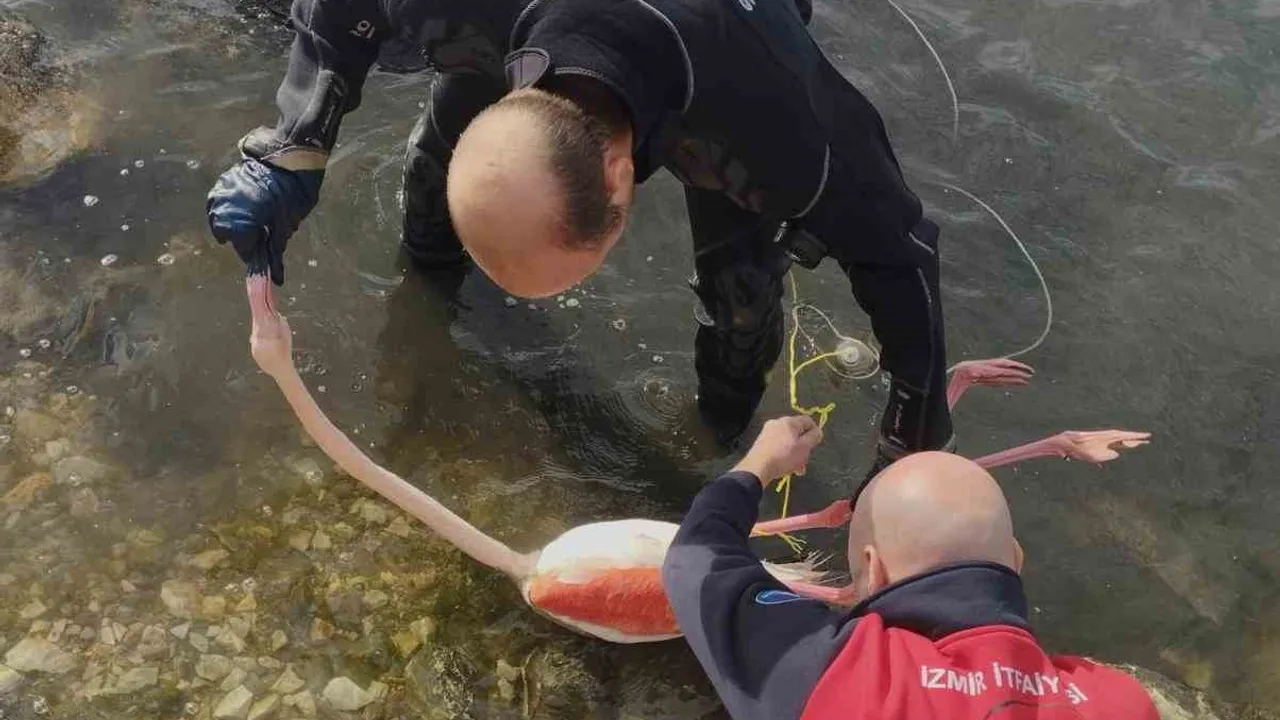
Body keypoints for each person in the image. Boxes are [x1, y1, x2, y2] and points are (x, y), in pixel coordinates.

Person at [207, 0, 950, 482]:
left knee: (740, 294)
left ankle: (718, 428)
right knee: (436, 168)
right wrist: (293, 146)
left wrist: (912, 433)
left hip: (720, 41)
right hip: (510, 25)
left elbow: (903, 252)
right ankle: (429, 273)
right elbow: (338, 11)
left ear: (622, 181)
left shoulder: (778, 130)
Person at [661, 418, 1161, 720]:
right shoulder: (1122, 701)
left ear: (872, 569)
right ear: (1017, 561)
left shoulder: (840, 676)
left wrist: (760, 463)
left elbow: (694, 559)